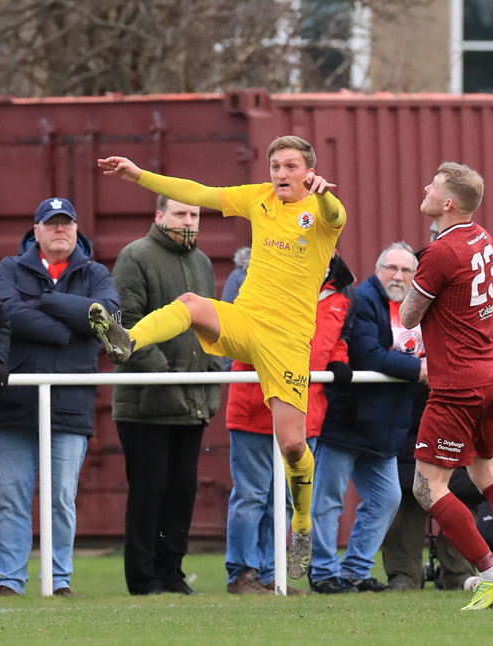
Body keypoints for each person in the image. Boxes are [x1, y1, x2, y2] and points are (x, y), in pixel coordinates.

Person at [93, 136, 346, 580]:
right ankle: (128, 340)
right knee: (191, 302)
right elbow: (198, 192)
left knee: (291, 445)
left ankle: (302, 523)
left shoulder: (324, 211)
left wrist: (324, 196)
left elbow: (334, 215)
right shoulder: (258, 198)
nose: (281, 174)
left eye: (290, 166)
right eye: (275, 166)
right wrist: (139, 176)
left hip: (287, 341)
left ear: (309, 171)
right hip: (246, 321)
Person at [400, 162, 493, 610]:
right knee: (486, 471)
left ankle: (490, 573)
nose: (425, 187)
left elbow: (408, 316)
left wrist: (454, 341)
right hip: (491, 371)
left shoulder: (441, 252)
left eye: (433, 185)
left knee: (427, 487)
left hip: (457, 384)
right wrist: (473, 336)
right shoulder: (483, 237)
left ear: (447, 202)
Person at [0, 197, 119, 597]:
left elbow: (110, 316)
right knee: (11, 498)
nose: (59, 229)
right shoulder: (9, 269)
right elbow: (6, 312)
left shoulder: (95, 272)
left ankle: (59, 580)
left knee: (61, 498)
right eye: (51, 224)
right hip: (13, 408)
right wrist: (70, 326)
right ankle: (9, 581)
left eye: (66, 223)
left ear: (76, 229)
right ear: (35, 231)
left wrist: (45, 302)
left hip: (70, 405)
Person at [224, 247, 354, 595]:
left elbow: (333, 341)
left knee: (283, 499)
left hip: (304, 411)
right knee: (251, 495)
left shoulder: (339, 295)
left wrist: (339, 358)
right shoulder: (266, 285)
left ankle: (270, 574)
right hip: (256, 406)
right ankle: (241, 573)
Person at [111, 196, 222, 595]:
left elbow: (211, 323)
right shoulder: (135, 256)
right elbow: (127, 322)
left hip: (193, 402)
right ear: (159, 216)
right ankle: (143, 579)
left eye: (194, 214)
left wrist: (212, 370)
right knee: (148, 492)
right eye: (180, 213)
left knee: (181, 494)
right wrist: (165, 375)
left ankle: (171, 573)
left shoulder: (203, 263)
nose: (188, 220)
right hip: (146, 403)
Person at [309, 242, 420, 594]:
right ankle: (323, 572)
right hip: (346, 420)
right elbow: (367, 354)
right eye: (392, 268)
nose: (398, 276)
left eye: (406, 270)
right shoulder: (363, 299)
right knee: (327, 500)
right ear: (377, 269)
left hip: (385, 428)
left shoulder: (417, 308)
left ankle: (355, 569)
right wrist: (420, 369)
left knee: (387, 498)